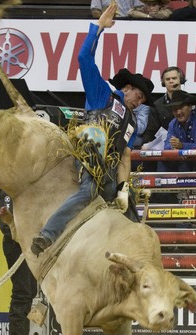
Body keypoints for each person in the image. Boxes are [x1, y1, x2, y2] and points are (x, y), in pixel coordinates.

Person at [31, 2, 153, 256]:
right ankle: (47, 235)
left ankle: (133, 256)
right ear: (128, 89)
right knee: (88, 191)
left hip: (108, 171)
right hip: (89, 155)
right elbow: (84, 57)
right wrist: (98, 28)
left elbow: (125, 156)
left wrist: (123, 189)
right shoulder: (103, 94)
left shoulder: (129, 121)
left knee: (128, 208)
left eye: (142, 100)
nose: (138, 102)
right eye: (138, 96)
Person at [0, 191, 44, 335]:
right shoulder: (8, 191)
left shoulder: (18, 189)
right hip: (17, 245)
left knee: (29, 291)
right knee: (22, 291)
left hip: (26, 245)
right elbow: (7, 224)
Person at [163, 90, 196, 172]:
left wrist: (181, 146)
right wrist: (174, 151)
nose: (178, 112)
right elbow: (167, 145)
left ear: (190, 107)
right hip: (183, 165)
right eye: (175, 109)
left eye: (181, 108)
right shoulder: (173, 124)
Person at [141, 66, 186, 146]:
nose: (171, 81)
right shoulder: (157, 105)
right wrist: (146, 145)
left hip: (187, 146)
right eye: (168, 79)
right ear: (163, 82)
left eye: (174, 78)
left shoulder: (190, 102)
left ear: (181, 80)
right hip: (164, 148)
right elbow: (150, 131)